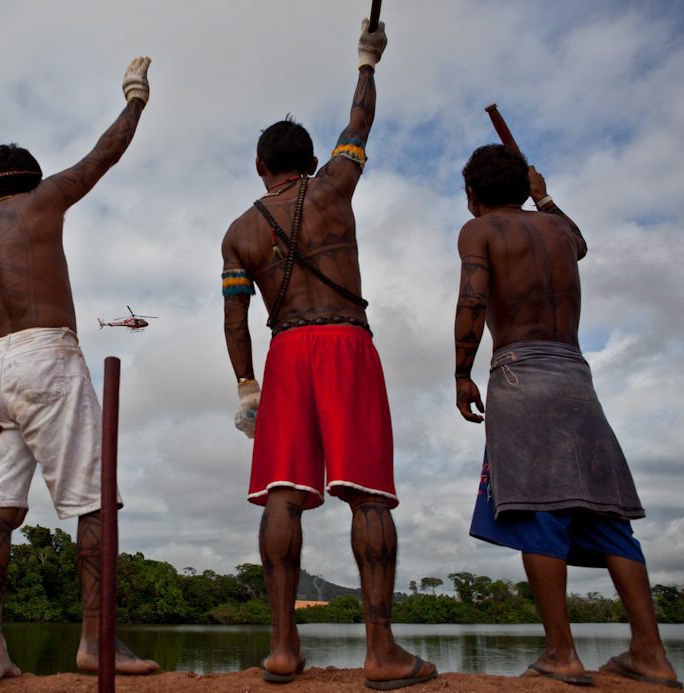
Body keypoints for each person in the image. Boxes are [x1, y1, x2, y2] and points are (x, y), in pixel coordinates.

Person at [221, 20, 437, 690]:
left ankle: (283, 650)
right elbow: (360, 120)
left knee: (281, 497)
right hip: (345, 340)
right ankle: (381, 652)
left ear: (260, 166)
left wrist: (247, 386)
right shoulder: (335, 184)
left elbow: (235, 319)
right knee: (368, 495)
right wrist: (367, 61)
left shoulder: (239, 232)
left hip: (284, 351)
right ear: (311, 160)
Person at [0, 57, 159, 684]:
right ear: (32, 183)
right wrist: (135, 99)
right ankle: (95, 641)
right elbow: (103, 155)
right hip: (46, 359)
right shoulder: (43, 202)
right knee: (94, 500)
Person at [454, 144, 680, 688]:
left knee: (537, 511)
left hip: (520, 375)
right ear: (524, 187)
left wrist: (461, 372)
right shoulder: (557, 229)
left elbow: (473, 301)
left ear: (472, 195)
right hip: (576, 376)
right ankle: (651, 654)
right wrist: (545, 197)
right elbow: (579, 243)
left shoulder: (479, 230)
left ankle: (562, 653)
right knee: (608, 518)